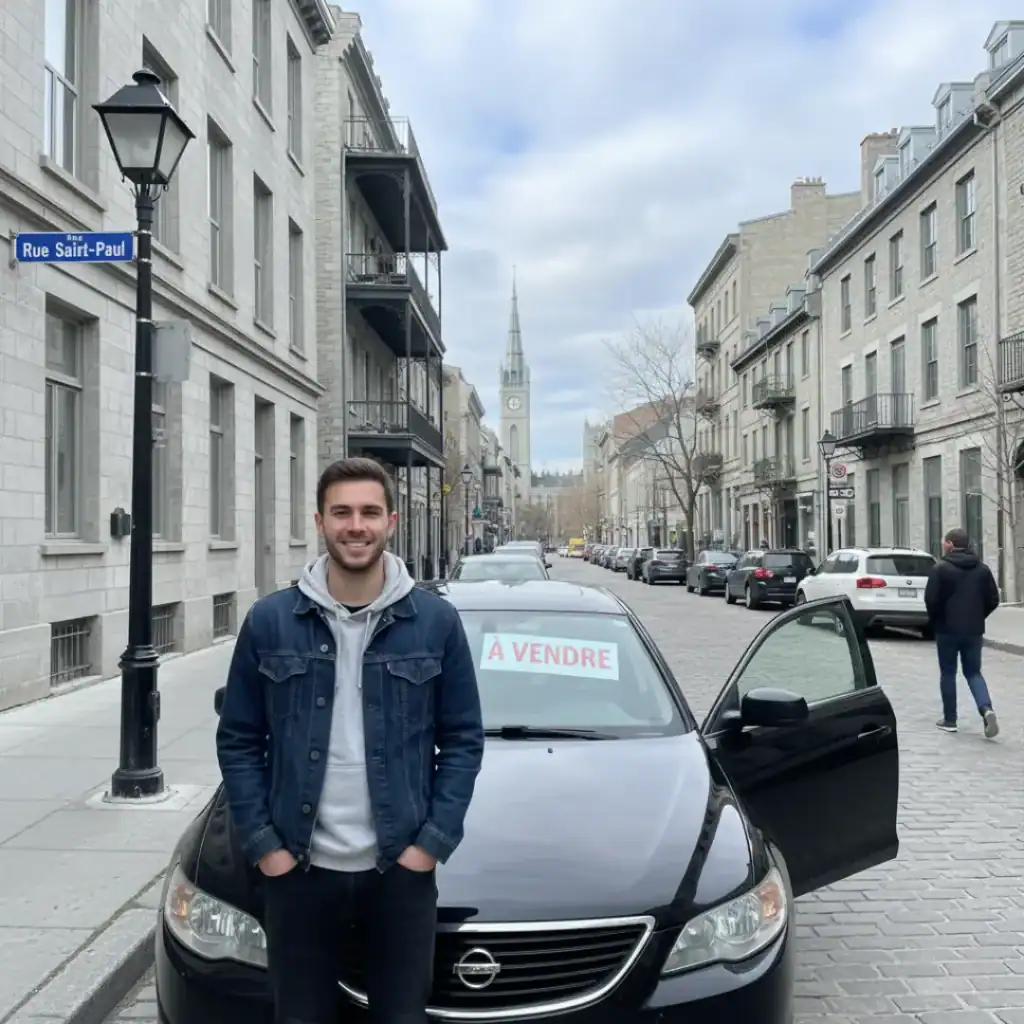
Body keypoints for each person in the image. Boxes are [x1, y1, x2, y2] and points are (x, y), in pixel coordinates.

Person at [216, 456, 484, 1024]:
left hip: (400, 874)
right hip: (299, 874)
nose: (355, 525)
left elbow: (462, 740)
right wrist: (267, 849)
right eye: (341, 512)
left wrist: (429, 846)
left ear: (391, 521)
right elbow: (239, 740)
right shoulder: (270, 622)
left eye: (368, 512)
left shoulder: (435, 623)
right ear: (320, 521)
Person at [924, 527, 1000, 737]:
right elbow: (993, 599)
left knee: (948, 673)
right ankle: (986, 709)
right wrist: (978, 616)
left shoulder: (940, 569)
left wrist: (937, 621)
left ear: (950, 544)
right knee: (973, 672)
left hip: (947, 630)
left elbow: (931, 599)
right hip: (973, 630)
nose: (942, 544)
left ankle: (950, 719)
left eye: (944, 541)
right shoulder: (982, 569)